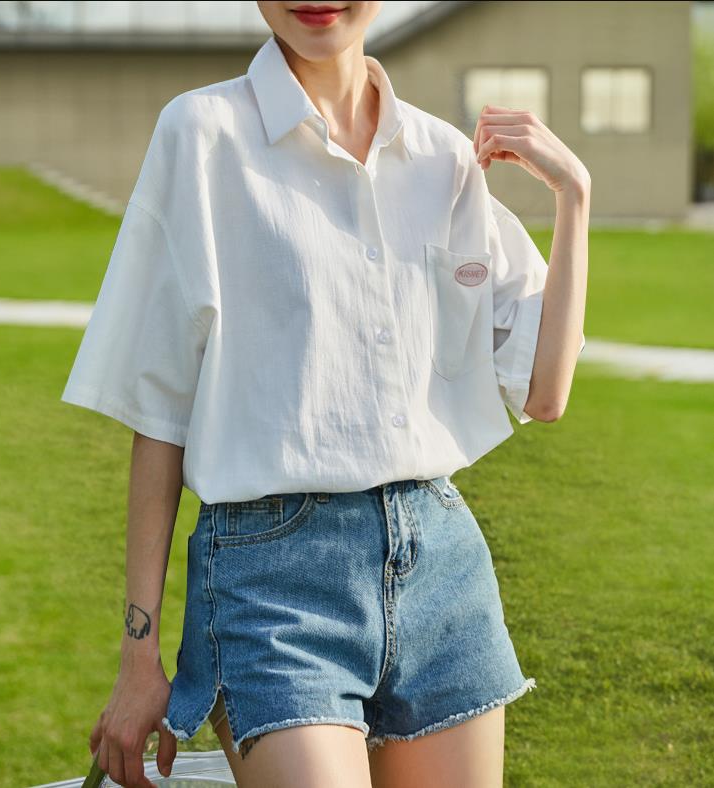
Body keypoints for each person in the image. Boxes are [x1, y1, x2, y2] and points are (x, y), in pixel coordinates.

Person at [60, 2, 589, 786]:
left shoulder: (443, 158)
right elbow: (160, 411)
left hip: (441, 569)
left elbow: (543, 392)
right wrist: (139, 656)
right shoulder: (203, 135)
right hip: (270, 586)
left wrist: (574, 196)